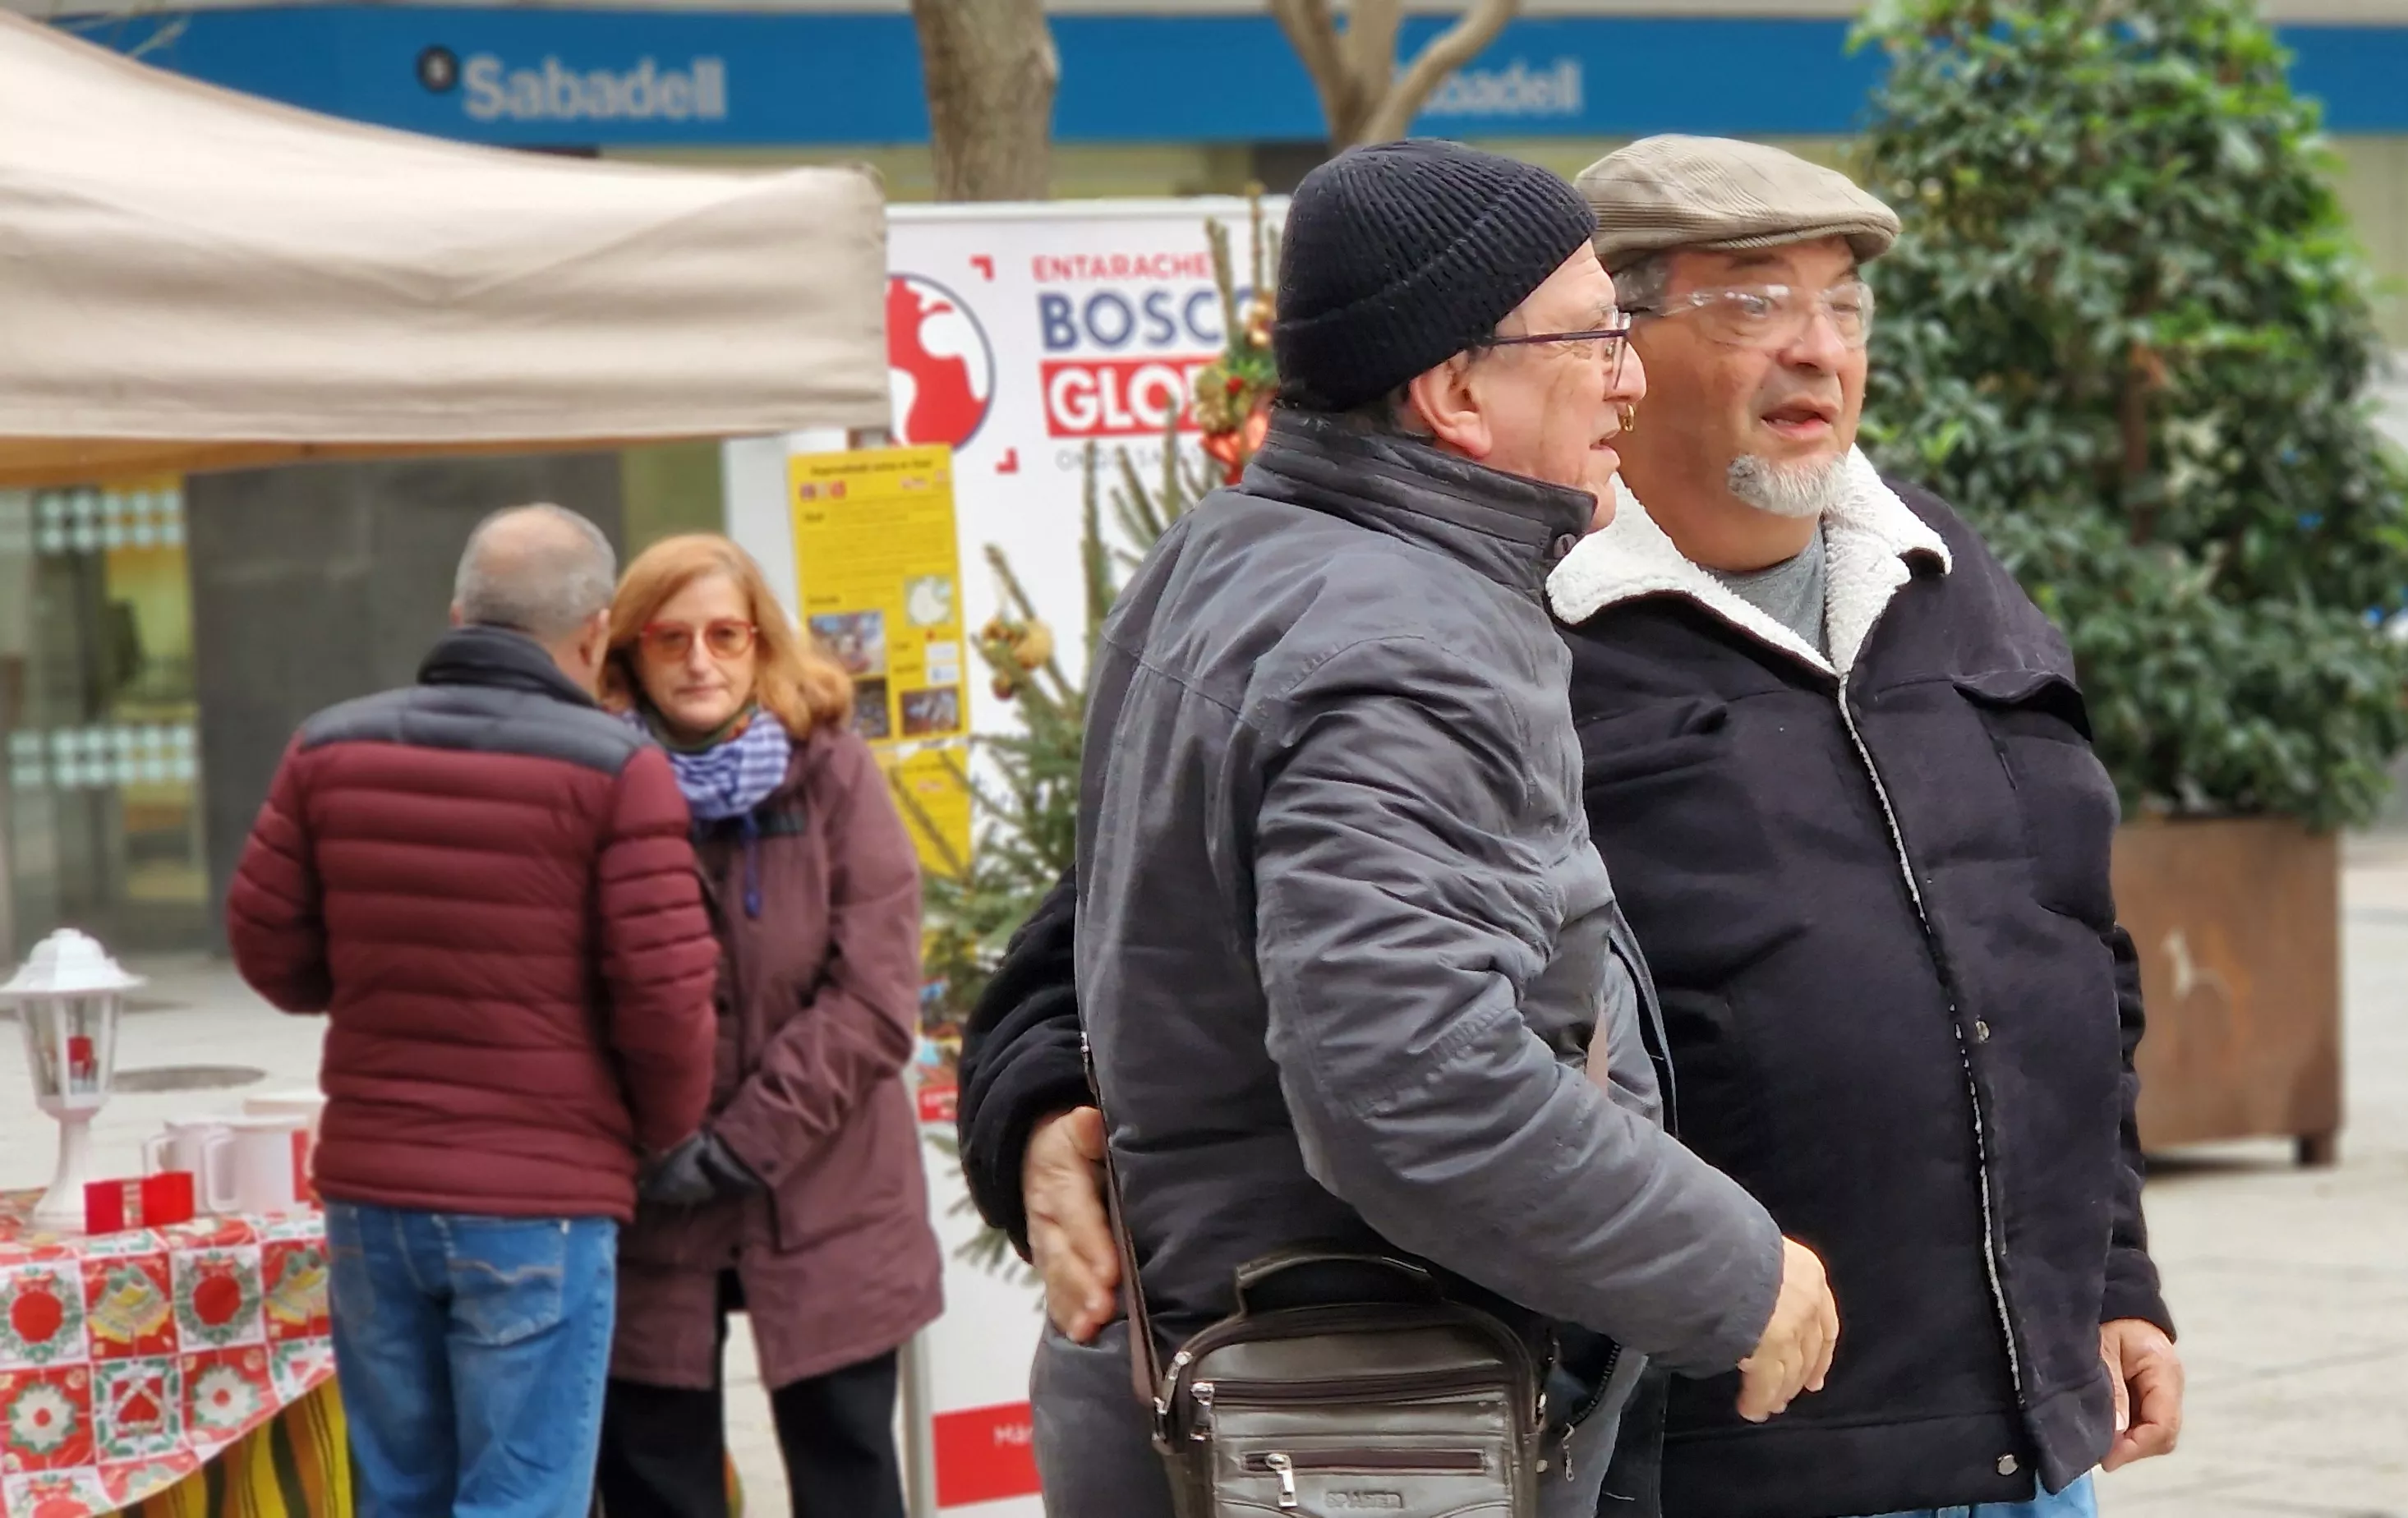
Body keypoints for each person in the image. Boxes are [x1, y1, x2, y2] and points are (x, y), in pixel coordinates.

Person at [954, 140, 1838, 1518]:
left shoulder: (1241, 554)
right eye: (1596, 331)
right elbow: (1415, 1084)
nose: (1630, 372)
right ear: (1452, 392)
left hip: (1287, 1396)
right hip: (1376, 1430)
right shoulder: (1403, 639)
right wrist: (1735, 1269)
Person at [1551, 135, 2177, 1518]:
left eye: (1844, 306)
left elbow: (2069, 958)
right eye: (1754, 303)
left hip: (2025, 1442)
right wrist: (1049, 1094)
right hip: (1731, 1460)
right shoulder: (1517, 622)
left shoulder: (1944, 574)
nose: (1818, 352)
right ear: (1617, 348)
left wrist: (2117, 1275)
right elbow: (1191, 907)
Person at [225, 504, 717, 1518]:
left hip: (374, 1194)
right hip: (543, 1199)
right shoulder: (619, 771)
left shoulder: (329, 747)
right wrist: (652, 1134)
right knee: (523, 1498)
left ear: (459, 614)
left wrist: (372, 980)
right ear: (595, 631)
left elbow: (268, 951)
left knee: (397, 1494)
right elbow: (667, 1004)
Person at [590, 536, 941, 1518]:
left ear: (760, 645)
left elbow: (875, 997)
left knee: (847, 1477)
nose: (700, 660)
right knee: (655, 1482)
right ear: (631, 655)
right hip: (652, 1201)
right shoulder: (595, 784)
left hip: (828, 1193)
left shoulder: (830, 768)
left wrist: (740, 1144)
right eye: (672, 638)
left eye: (725, 634)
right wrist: (660, 1141)